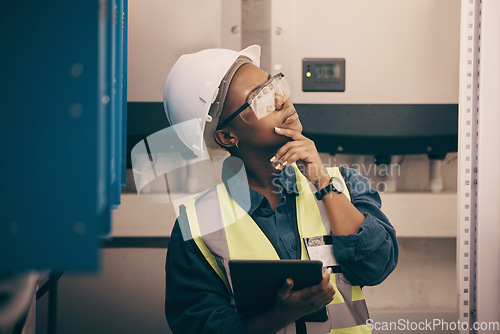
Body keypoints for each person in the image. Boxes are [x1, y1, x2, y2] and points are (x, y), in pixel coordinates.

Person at [163, 45, 398, 334]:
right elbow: (199, 326)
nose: (281, 100)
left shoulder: (344, 184)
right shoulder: (197, 225)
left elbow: (377, 267)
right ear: (227, 136)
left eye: (274, 85)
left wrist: (322, 183)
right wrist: (279, 315)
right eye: (259, 99)